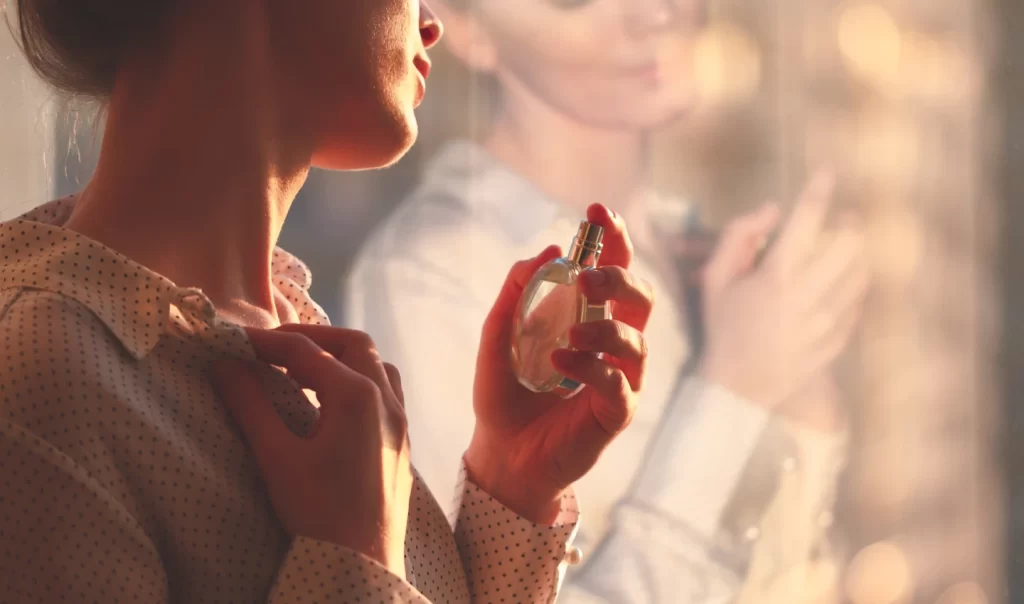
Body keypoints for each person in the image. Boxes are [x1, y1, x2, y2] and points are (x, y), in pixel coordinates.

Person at [0, 1, 657, 602]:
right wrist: (351, 561)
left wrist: (514, 483)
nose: (433, 21)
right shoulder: (37, 386)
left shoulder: (288, 341)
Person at [345, 0, 870, 602]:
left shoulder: (708, 251)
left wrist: (802, 402)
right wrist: (734, 391)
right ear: (465, 28)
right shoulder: (434, 273)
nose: (655, 11)